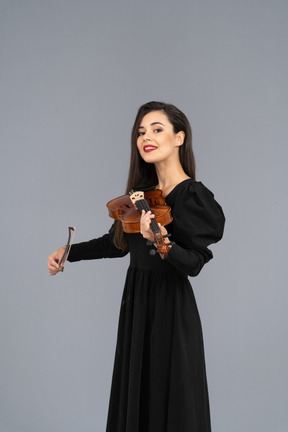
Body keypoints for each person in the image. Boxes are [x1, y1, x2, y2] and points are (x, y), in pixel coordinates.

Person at [47, 101, 225, 432]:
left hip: (171, 307)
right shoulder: (142, 196)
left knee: (174, 398)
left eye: (158, 129)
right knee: (138, 397)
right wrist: (68, 251)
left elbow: (194, 263)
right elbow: (116, 244)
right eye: (141, 131)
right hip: (137, 302)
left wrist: (160, 239)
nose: (146, 137)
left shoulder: (193, 196)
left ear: (179, 138)